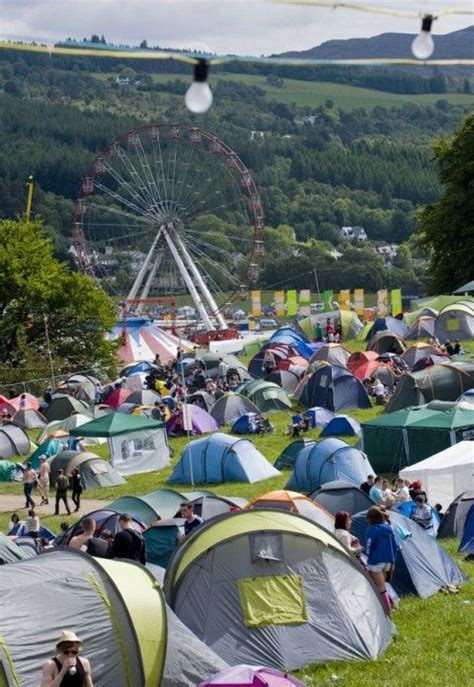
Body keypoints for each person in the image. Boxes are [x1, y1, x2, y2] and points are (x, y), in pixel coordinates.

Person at [365, 506, 398, 614]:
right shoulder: (388, 528)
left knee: (381, 588)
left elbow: (369, 546)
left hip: (376, 562)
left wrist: (368, 555)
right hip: (388, 561)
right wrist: (393, 560)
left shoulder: (372, 530)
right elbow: (394, 545)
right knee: (382, 584)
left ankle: (387, 612)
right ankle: (387, 606)